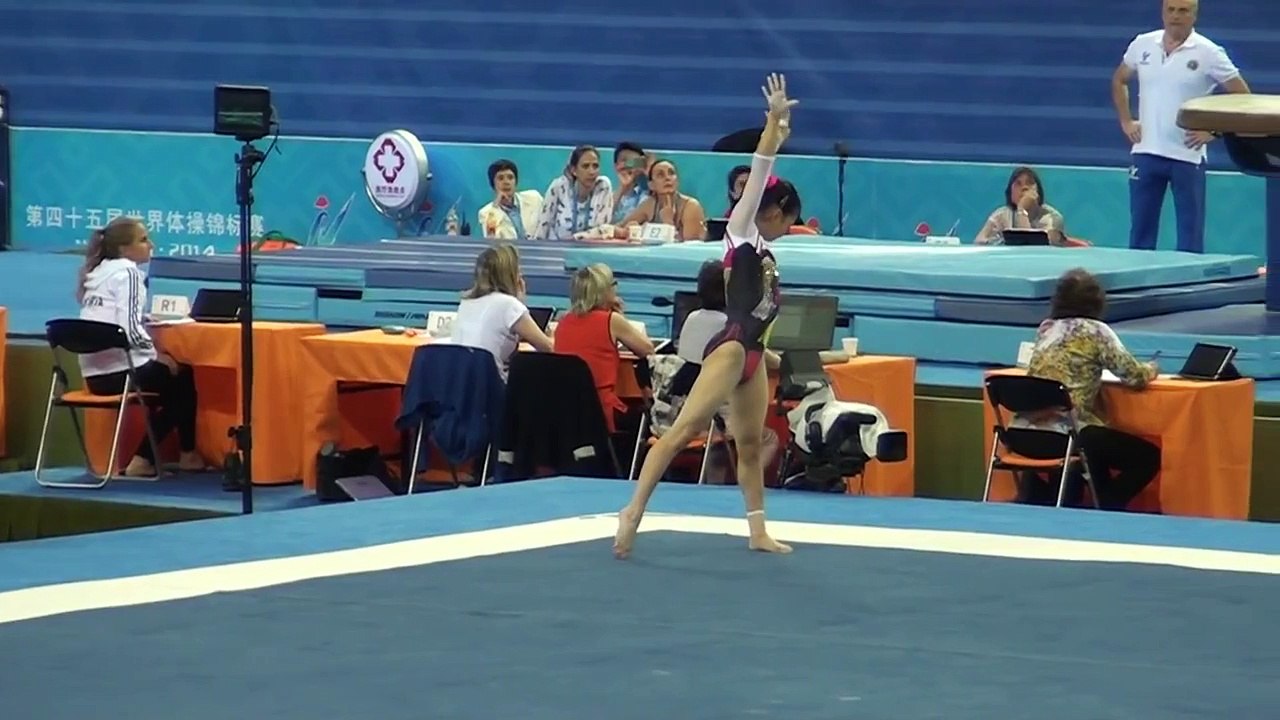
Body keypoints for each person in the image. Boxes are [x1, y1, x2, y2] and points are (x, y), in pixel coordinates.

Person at [614, 73, 801, 558]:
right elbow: (760, 170)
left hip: (755, 354)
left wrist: (779, 133)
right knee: (683, 432)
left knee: (752, 444)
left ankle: (757, 529)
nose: (791, 227)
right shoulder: (739, 233)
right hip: (733, 347)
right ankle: (633, 510)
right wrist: (773, 126)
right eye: (789, 218)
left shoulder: (766, 253)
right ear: (772, 214)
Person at [1111, 0, 1250, 254]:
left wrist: (1214, 131)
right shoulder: (1143, 43)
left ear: (1194, 15)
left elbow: (1242, 97)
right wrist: (1126, 121)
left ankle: (1191, 289)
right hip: (1146, 152)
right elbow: (1120, 79)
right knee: (1140, 233)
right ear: (1163, 12)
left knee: (1190, 235)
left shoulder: (1209, 52)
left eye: (1183, 10)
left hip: (1186, 156)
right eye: (1171, 10)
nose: (1176, 16)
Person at [1017, 268, 1162, 510]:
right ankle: (1108, 504)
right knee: (1147, 457)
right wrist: (1152, 368)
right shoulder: (1096, 331)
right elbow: (1134, 376)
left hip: (1025, 434)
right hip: (1070, 433)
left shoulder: (1046, 329)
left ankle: (1054, 493)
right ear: (1096, 301)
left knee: (1096, 437)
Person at [77, 216, 203, 477]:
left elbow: (110, 321)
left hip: (94, 377)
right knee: (182, 377)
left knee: (170, 386)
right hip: (121, 373)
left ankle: (181, 456)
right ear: (124, 249)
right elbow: (129, 331)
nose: (151, 245)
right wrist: (156, 355)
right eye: (144, 240)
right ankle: (152, 458)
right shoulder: (128, 273)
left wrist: (143, 321)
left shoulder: (97, 273)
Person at [675, 259, 781, 483]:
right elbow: (772, 362)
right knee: (768, 438)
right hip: (715, 415)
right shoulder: (731, 327)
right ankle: (744, 484)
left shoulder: (691, 319)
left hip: (678, 410)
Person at [553, 263, 655, 435]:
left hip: (565, 411)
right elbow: (647, 350)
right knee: (647, 417)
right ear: (604, 291)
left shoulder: (563, 322)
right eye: (613, 284)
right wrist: (622, 317)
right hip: (601, 410)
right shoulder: (611, 320)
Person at [447, 243, 554, 380]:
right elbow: (548, 348)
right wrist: (520, 301)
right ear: (510, 275)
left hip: (458, 387)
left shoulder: (467, 303)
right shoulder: (509, 305)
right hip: (490, 388)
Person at [534, 145, 614, 240]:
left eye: (595, 166)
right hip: (557, 251)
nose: (592, 172)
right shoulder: (558, 187)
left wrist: (574, 239)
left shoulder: (603, 186)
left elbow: (603, 230)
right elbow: (542, 228)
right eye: (586, 166)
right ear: (574, 170)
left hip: (591, 251)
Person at [616, 159, 708, 242]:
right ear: (651, 185)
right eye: (660, 175)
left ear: (677, 181)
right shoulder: (650, 204)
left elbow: (690, 249)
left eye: (671, 173)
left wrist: (668, 222)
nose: (667, 178)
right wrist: (627, 231)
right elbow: (619, 227)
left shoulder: (691, 206)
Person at [973, 166, 1068, 246]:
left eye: (1030, 183)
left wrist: (1022, 210)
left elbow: (1031, 250)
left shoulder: (1052, 217)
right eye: (1018, 184)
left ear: (1038, 191)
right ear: (1010, 192)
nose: (1024, 188)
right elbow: (979, 243)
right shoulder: (1001, 215)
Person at [477, 159, 542, 240]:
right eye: (501, 178)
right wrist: (496, 206)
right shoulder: (487, 213)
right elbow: (491, 238)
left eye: (510, 178)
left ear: (516, 182)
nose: (506, 182)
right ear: (493, 184)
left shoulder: (534, 198)